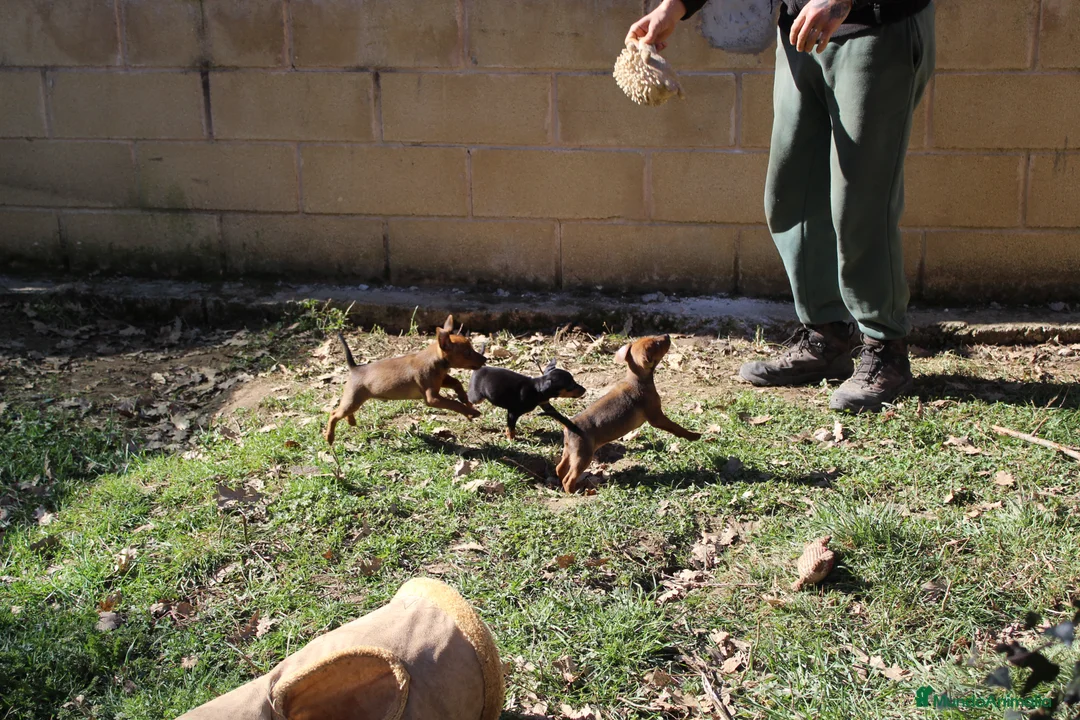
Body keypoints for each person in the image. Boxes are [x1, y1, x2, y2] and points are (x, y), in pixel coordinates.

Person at [627, 0, 935, 413]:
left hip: (875, 29)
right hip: (798, 32)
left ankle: (886, 350)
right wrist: (674, 7)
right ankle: (827, 337)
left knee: (862, 203)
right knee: (792, 193)